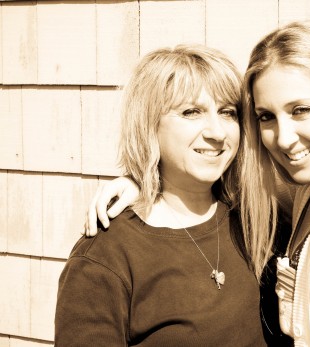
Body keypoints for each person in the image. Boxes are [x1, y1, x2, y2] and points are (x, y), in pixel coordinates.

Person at [84, 22, 310, 345]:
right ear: (148, 127)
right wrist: (143, 182)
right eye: (265, 116)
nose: (284, 138)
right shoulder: (294, 202)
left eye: (301, 110)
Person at [55, 45, 268, 346]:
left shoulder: (250, 216)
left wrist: (140, 181)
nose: (218, 133)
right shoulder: (107, 255)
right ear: (148, 125)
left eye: (227, 112)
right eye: (191, 112)